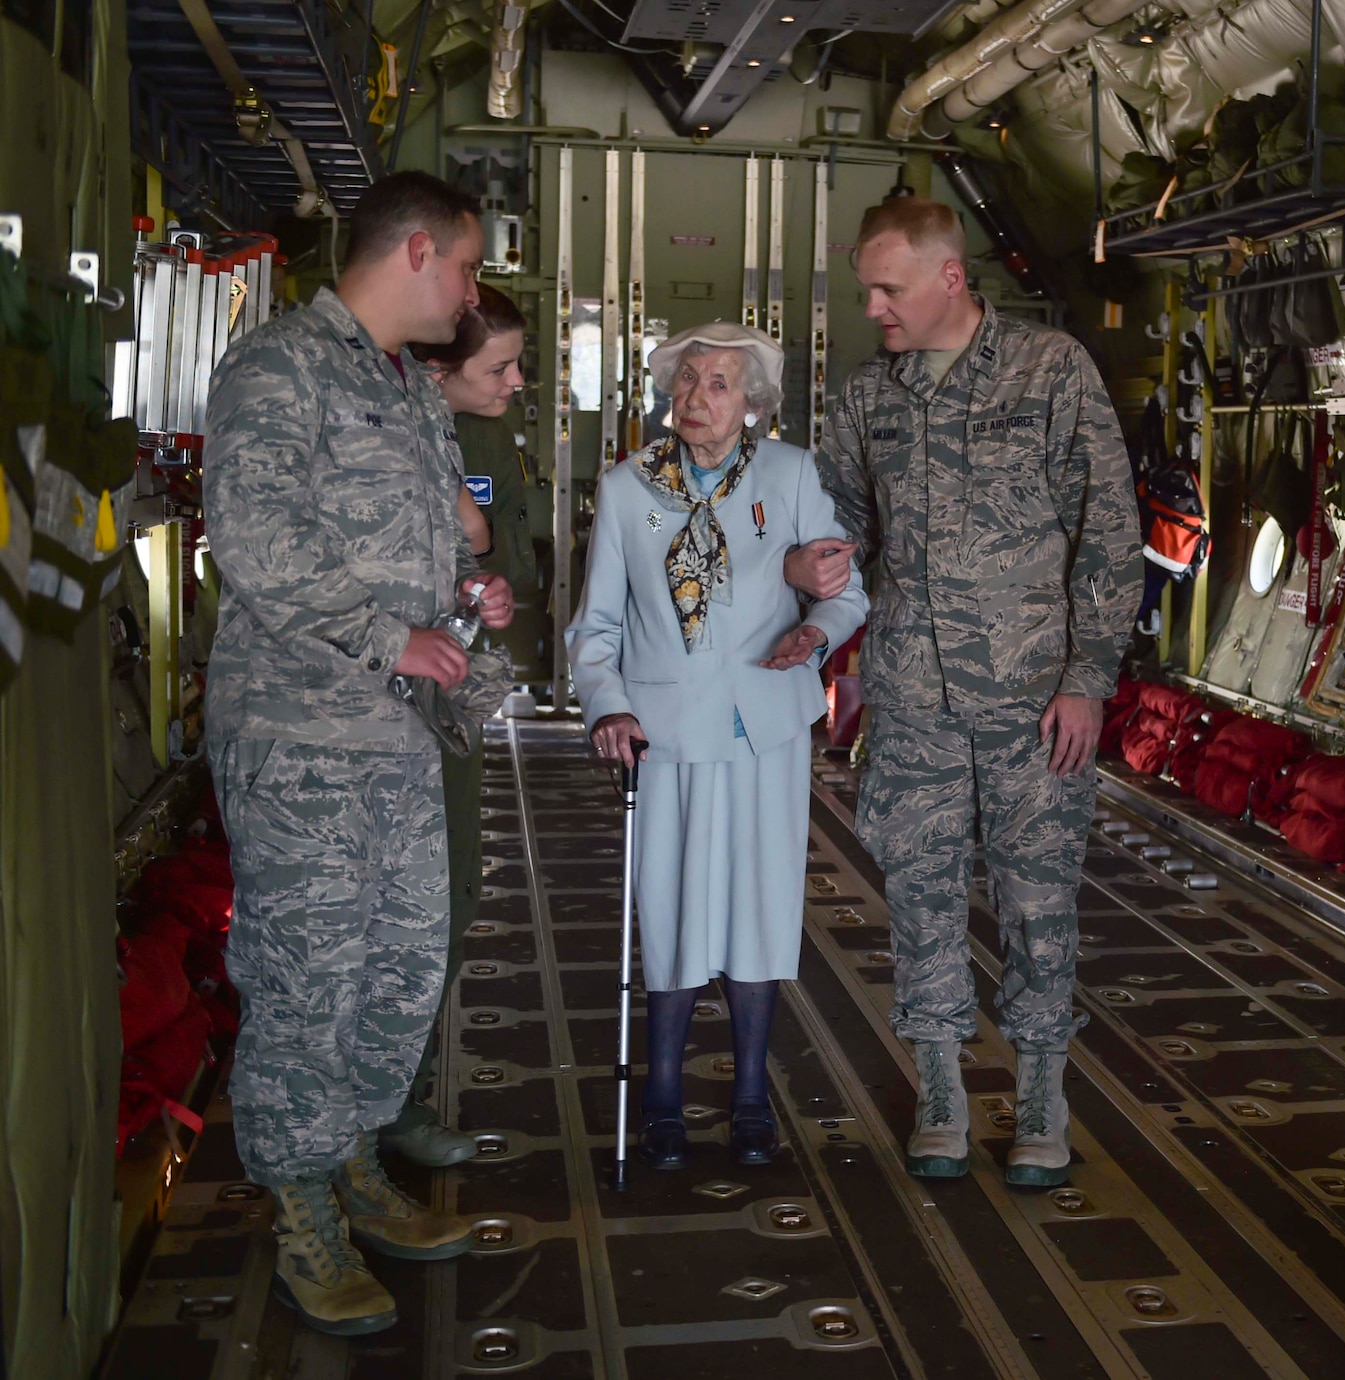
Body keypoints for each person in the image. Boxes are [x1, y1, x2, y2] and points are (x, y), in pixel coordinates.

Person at [203, 170, 517, 1337]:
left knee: (398, 969)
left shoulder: (408, 389)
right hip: (301, 743)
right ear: (419, 251)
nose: (474, 292)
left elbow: (415, 546)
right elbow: (256, 535)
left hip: (396, 741)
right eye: (470, 266)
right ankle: (300, 1212)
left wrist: (463, 596)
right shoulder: (280, 368)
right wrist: (397, 635)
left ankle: (354, 1166)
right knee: (305, 984)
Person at [797, 198, 1140, 1187]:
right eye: (865, 286)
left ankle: (1040, 1095)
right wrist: (800, 574)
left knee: (1037, 905)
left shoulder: (1048, 373)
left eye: (887, 287)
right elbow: (838, 532)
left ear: (950, 278)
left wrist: (1085, 682)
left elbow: (1109, 542)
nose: (873, 306)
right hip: (910, 698)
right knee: (919, 897)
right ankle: (941, 1091)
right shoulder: (869, 399)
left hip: (1035, 702)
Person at [567, 322, 866, 1169]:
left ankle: (748, 1098)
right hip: (666, 732)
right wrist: (607, 709)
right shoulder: (629, 489)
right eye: (688, 380)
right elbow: (595, 628)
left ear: (753, 405)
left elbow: (846, 586)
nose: (697, 398)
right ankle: (662, 1098)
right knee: (668, 908)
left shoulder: (792, 474)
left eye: (719, 384)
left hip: (767, 721)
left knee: (762, 909)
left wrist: (814, 632)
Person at [366, 284, 529, 1169]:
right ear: (436, 368)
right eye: (497, 366)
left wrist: (484, 581)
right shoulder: (369, 425)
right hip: (355, 707)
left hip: (440, 707)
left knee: (446, 900)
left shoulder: (480, 438)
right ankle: (350, 1125)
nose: (513, 383)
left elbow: (496, 545)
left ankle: (402, 1102)